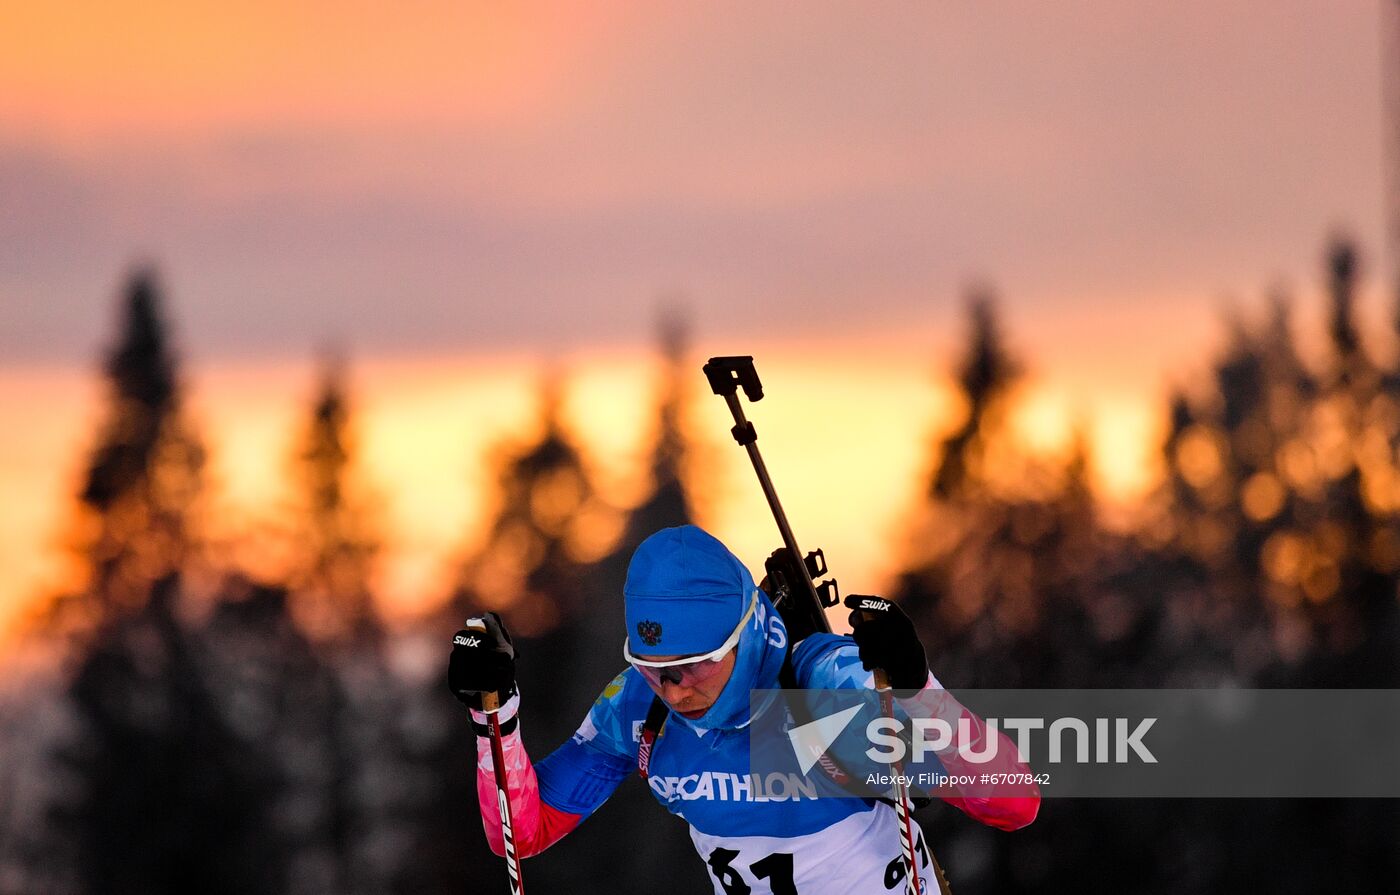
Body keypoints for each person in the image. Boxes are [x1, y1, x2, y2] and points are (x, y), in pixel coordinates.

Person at [449, 524, 1039, 893]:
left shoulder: (818, 686)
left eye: (695, 663)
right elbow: (520, 835)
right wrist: (494, 716)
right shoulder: (638, 707)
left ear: (743, 635)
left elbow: (1015, 801)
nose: (674, 689)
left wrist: (919, 689)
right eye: (654, 668)